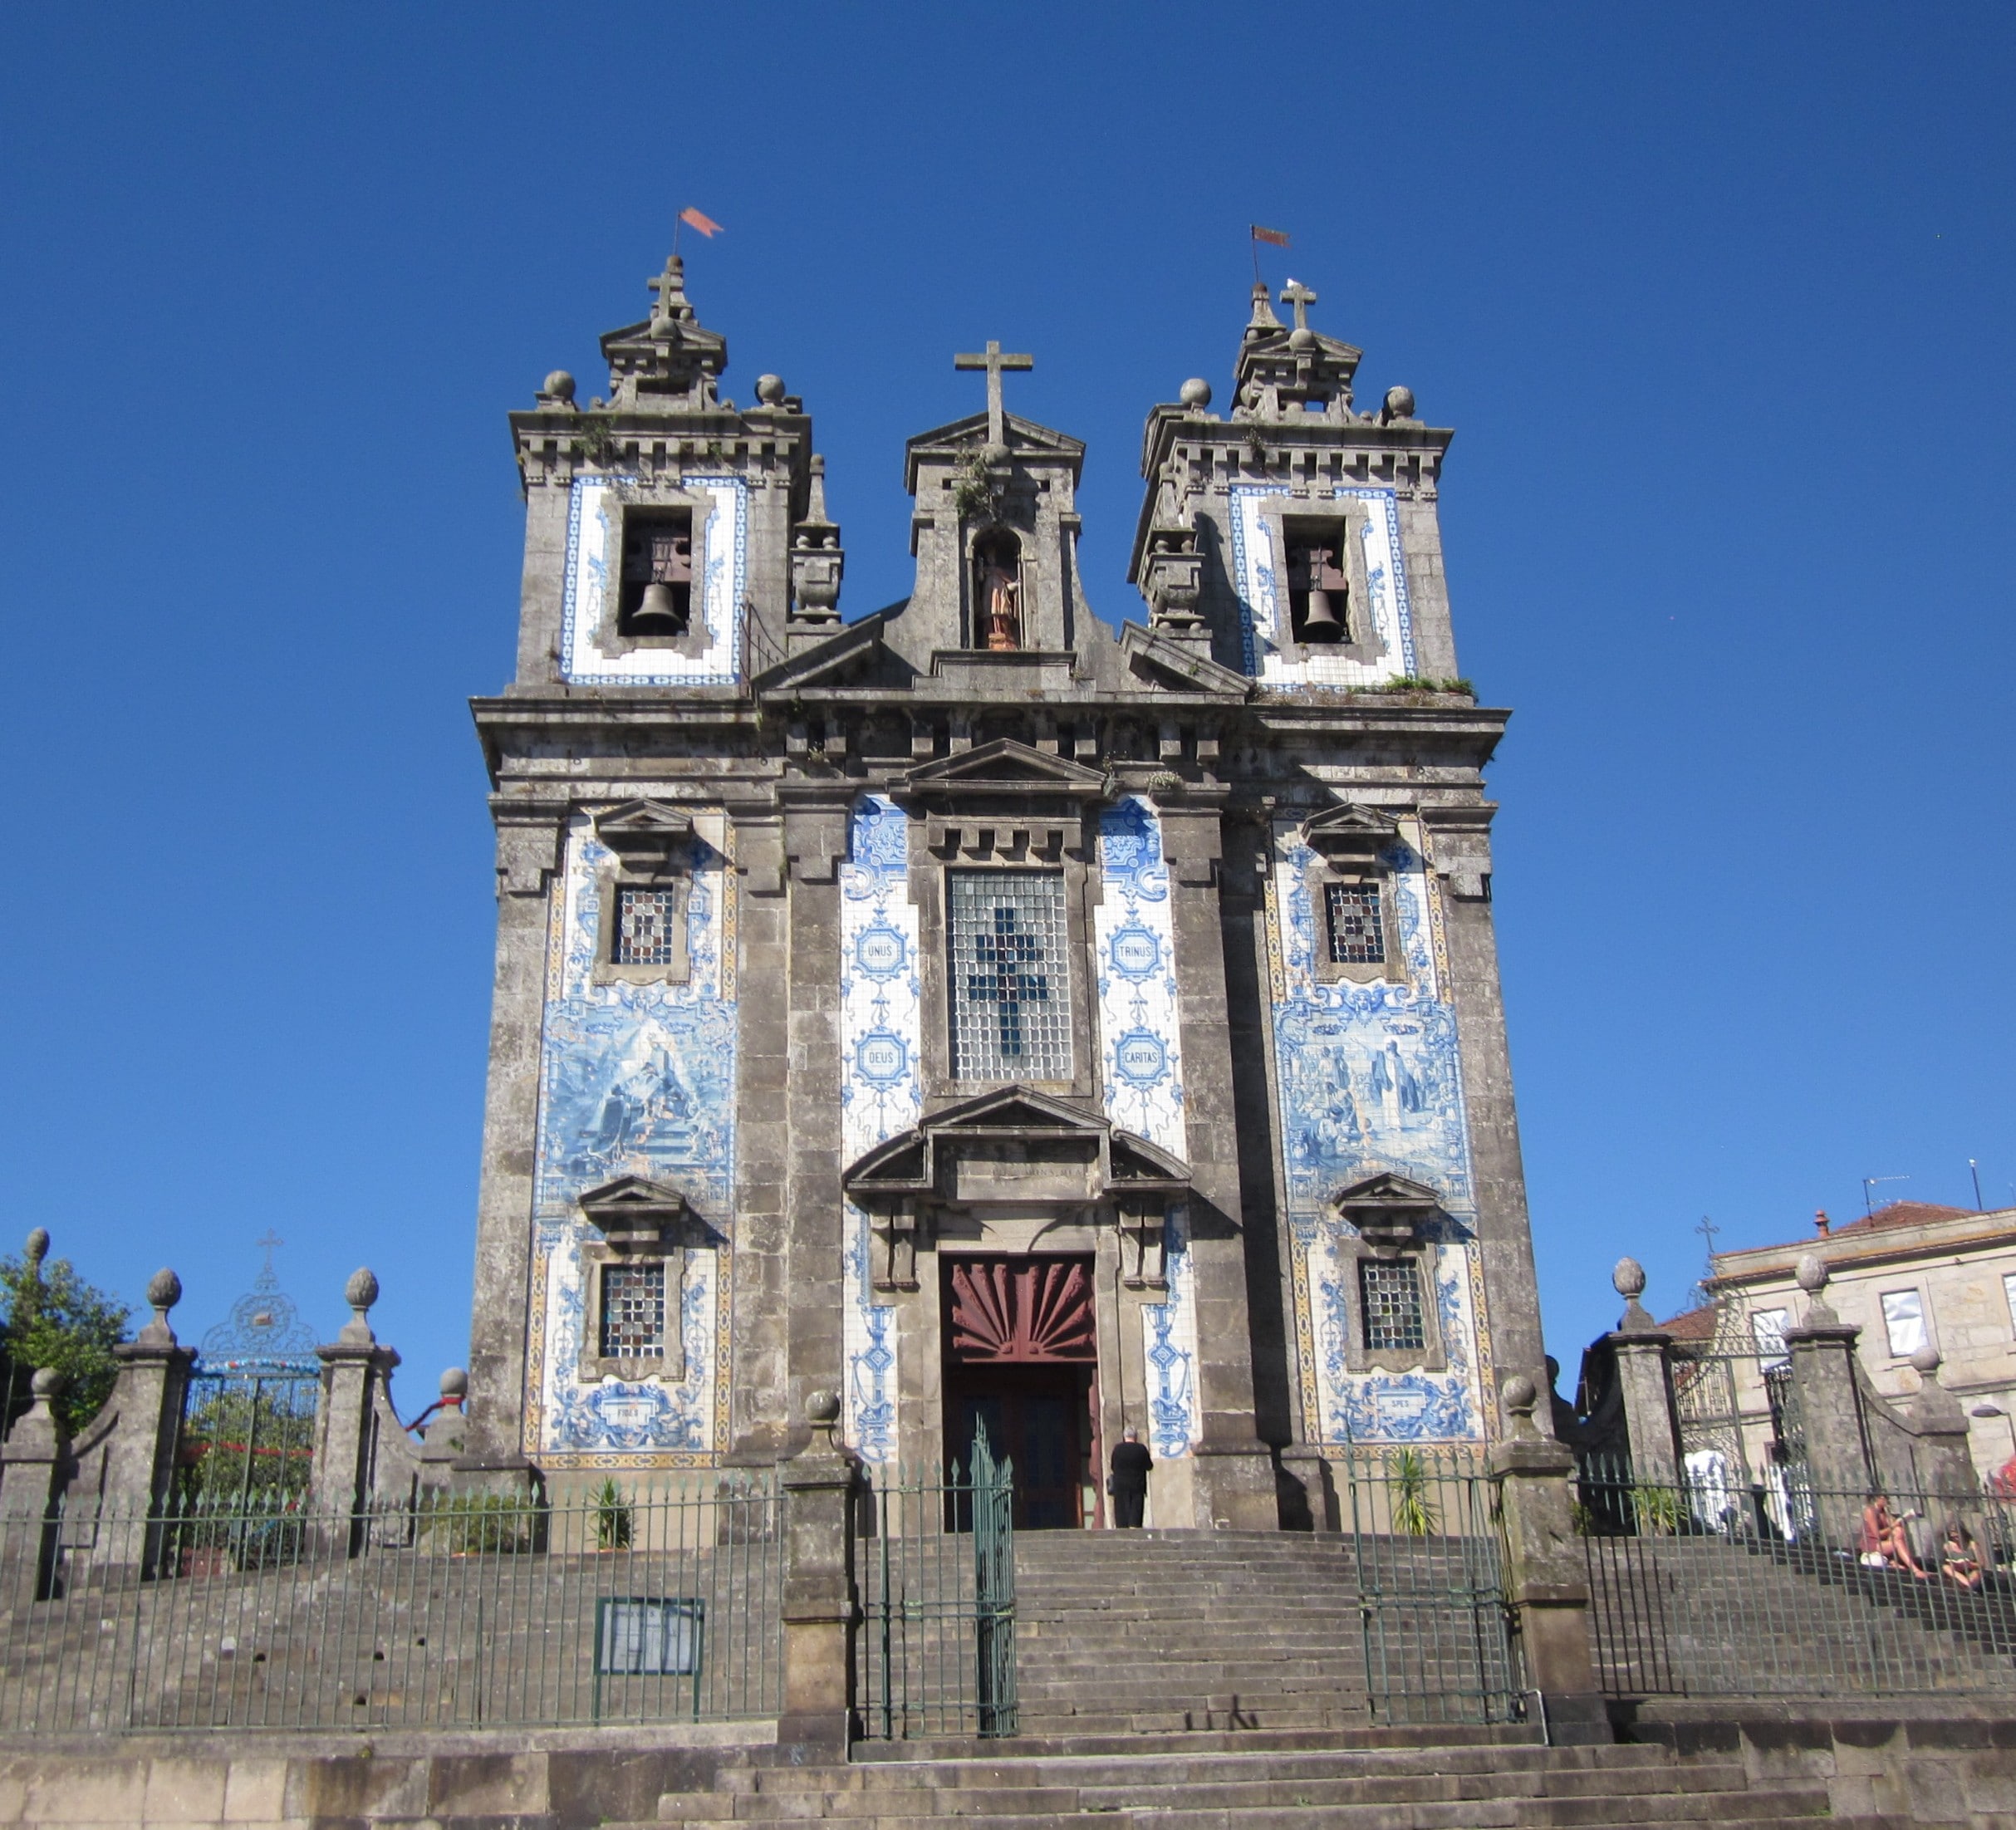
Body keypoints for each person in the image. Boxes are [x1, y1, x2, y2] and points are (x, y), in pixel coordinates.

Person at [1859, 1492, 1930, 1578]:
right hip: (1872, 1544)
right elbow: (1878, 1534)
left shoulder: (1884, 1512)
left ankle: (1894, 1561)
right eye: (1884, 1498)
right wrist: (1894, 1525)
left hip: (1883, 1543)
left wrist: (1896, 1520)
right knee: (1897, 1543)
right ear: (1877, 1499)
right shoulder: (1870, 1511)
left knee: (1898, 1531)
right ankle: (1915, 1570)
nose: (1887, 1500)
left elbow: (1893, 1527)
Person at [1109, 1426, 1153, 1528]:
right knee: (1136, 1508)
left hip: (1120, 1485)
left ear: (1124, 1436)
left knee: (1121, 1508)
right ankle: (1134, 1527)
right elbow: (1149, 1466)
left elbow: (1113, 1466)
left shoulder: (1118, 1449)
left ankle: (1121, 1528)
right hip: (1137, 1484)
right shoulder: (1141, 1449)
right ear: (1136, 1436)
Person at [1941, 1520, 1984, 1590]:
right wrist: (1955, 1565)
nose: (1953, 1535)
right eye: (1952, 1532)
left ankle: (1968, 1584)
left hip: (1971, 1571)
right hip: (1956, 1574)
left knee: (1976, 1574)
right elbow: (1947, 1563)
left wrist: (1969, 1564)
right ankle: (1966, 1583)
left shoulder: (1972, 1545)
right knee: (1946, 1568)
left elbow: (1981, 1564)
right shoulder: (1948, 1546)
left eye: (1956, 1532)